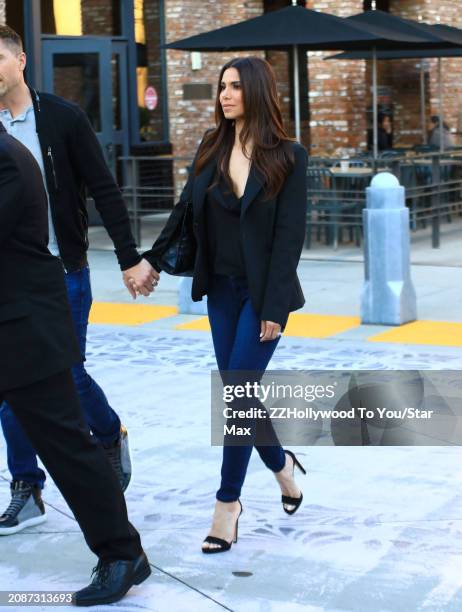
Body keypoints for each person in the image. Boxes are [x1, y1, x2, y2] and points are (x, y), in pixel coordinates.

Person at [142, 56, 308, 554]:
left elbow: (289, 240)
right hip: (221, 293)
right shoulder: (211, 146)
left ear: (256, 91)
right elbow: (184, 211)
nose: (225, 95)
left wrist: (274, 308)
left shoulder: (289, 156)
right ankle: (283, 468)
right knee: (241, 396)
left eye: (235, 87)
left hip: (263, 298)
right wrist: (153, 260)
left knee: (236, 395)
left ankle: (227, 504)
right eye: (221, 87)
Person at [0, 25, 158, 534]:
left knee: (64, 375)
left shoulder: (63, 118)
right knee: (12, 387)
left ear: (21, 60)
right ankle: (27, 485)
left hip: (63, 271)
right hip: (9, 279)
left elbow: (105, 191)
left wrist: (131, 258)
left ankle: (108, 432)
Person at [0, 120, 151, 606]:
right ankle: (124, 550)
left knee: (67, 446)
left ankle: (122, 553)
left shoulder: (6, 159)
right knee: (67, 443)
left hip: (23, 328)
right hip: (18, 321)